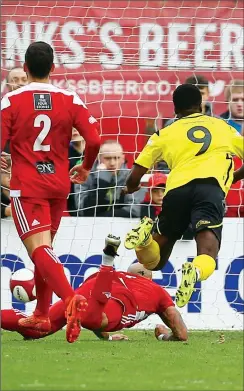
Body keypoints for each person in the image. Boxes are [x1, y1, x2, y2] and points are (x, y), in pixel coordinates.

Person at [1, 41, 101, 343]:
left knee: (39, 250)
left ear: (26, 68)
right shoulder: (70, 99)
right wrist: (84, 168)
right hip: (59, 185)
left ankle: (70, 300)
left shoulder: (11, 100)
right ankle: (43, 314)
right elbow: (94, 140)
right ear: (53, 68)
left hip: (27, 186)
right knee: (45, 251)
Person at [123, 83, 244, 308]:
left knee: (155, 262)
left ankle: (145, 239)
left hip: (177, 191)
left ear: (175, 109)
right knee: (208, 252)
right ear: (201, 105)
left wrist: (130, 188)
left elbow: (135, 175)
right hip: (210, 189)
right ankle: (195, 271)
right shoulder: (222, 127)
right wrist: (234, 177)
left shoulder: (164, 133)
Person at [1, 235, 187, 342]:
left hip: (87, 293)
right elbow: (181, 332)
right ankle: (107, 261)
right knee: (99, 317)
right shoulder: (157, 290)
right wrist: (164, 334)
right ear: (148, 276)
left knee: (37, 328)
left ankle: (105, 266)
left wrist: (107, 338)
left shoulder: (120, 276)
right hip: (106, 305)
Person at [74, 140, 144, 217]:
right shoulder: (83, 175)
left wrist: (103, 217)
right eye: (107, 158)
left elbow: (134, 211)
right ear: (99, 158)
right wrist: (102, 180)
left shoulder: (131, 177)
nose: (112, 163)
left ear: (123, 158)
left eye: (116, 158)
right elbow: (83, 211)